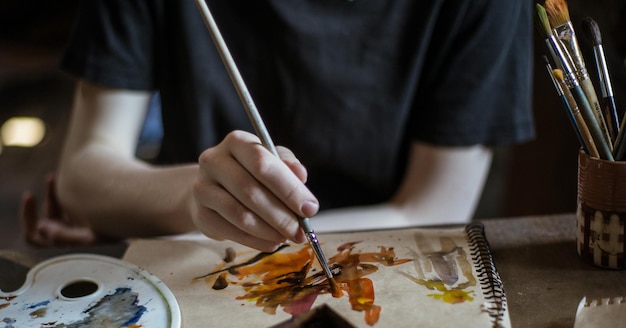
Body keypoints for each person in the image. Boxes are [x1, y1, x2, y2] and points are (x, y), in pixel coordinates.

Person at [21, 0, 534, 251]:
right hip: (190, 257)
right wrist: (192, 202)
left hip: (371, 273)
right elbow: (83, 173)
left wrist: (156, 238)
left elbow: (434, 208)